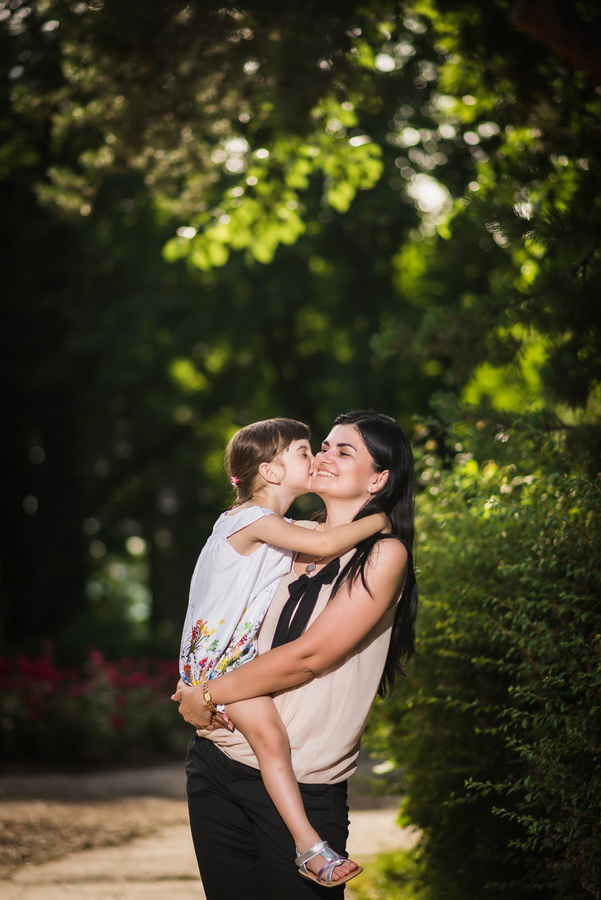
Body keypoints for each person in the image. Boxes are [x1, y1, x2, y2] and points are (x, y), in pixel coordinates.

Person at [172, 410, 418, 899]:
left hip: (304, 782)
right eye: (321, 446)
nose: (323, 456)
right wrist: (199, 683)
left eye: (342, 451)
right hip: (219, 761)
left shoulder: (383, 553)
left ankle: (310, 848)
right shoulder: (284, 535)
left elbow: (309, 656)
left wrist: (204, 692)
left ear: (379, 477)